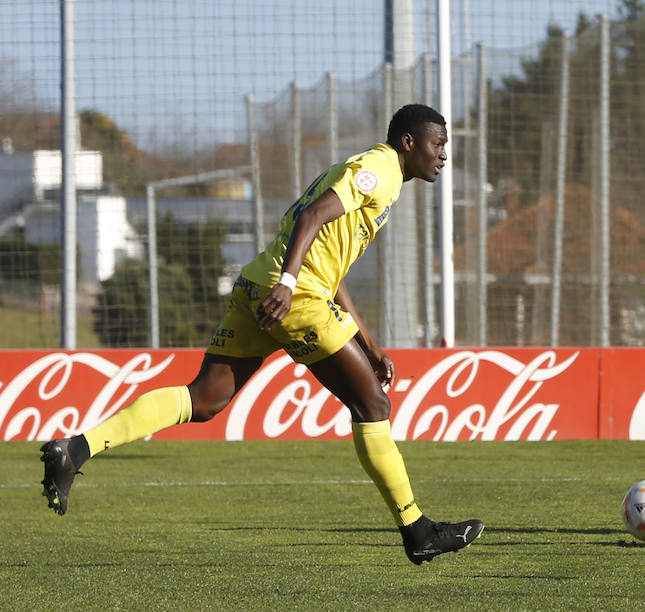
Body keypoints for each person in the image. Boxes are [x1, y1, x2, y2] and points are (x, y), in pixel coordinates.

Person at [39, 103, 484, 565]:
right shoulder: (380, 169)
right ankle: (418, 531)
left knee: (204, 399)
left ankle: (76, 448)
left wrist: (368, 344)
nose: (444, 154)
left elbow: (331, 265)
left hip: (261, 285)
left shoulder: (369, 170)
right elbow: (312, 217)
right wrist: (289, 286)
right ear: (408, 142)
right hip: (294, 296)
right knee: (372, 404)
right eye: (438, 143)